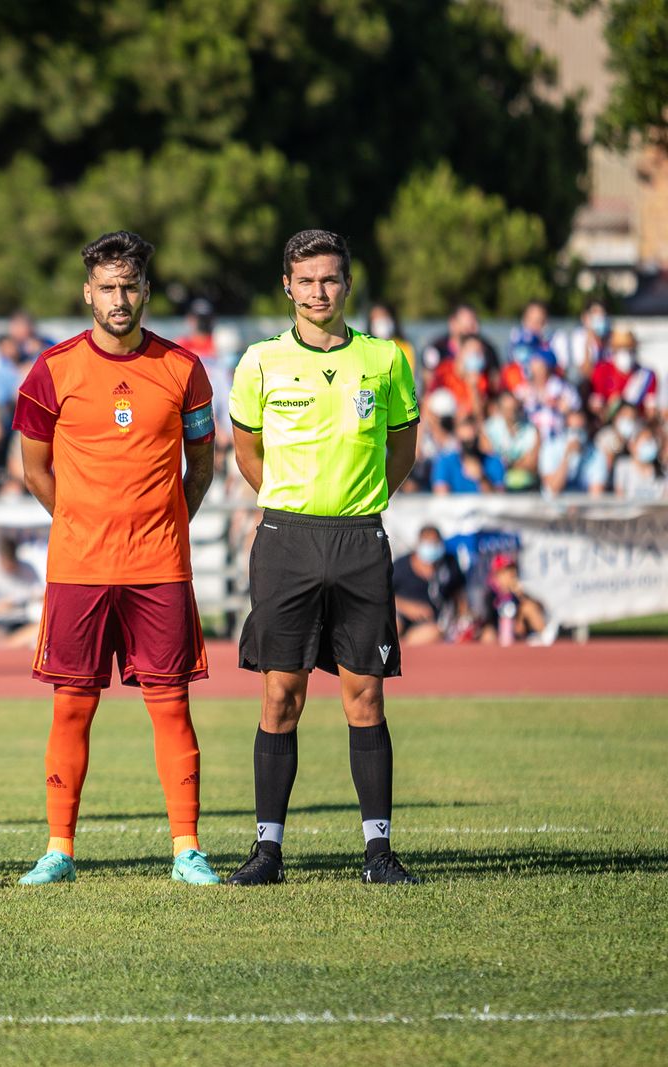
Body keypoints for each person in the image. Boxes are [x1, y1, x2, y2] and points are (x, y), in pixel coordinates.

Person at [11, 231, 220, 887]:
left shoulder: (184, 369)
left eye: (130, 286)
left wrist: (163, 520)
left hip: (160, 566)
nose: (119, 298)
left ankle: (187, 848)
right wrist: (82, 519)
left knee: (171, 704)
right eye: (107, 287)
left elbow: (204, 464)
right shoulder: (51, 369)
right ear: (88, 293)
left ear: (146, 292)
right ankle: (59, 848)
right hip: (79, 566)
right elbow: (35, 470)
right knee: (72, 706)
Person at [227, 228, 422, 886]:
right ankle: (267, 852)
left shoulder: (386, 358)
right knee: (281, 694)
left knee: (365, 694)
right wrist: (293, 507)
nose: (318, 291)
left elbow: (403, 449)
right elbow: (248, 454)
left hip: (360, 540)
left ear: (348, 283)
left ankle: (378, 853)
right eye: (306, 280)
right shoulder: (258, 362)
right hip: (286, 541)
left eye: (330, 279)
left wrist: (358, 505)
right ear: (287, 285)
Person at [393, 525, 468, 645]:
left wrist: (463, 617)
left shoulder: (449, 564)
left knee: (433, 633)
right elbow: (383, 595)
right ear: (419, 544)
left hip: (434, 623)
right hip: (402, 618)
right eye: (428, 543)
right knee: (394, 626)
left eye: (435, 543)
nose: (432, 547)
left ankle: (404, 646)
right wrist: (408, 607)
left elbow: (459, 594)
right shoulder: (400, 566)